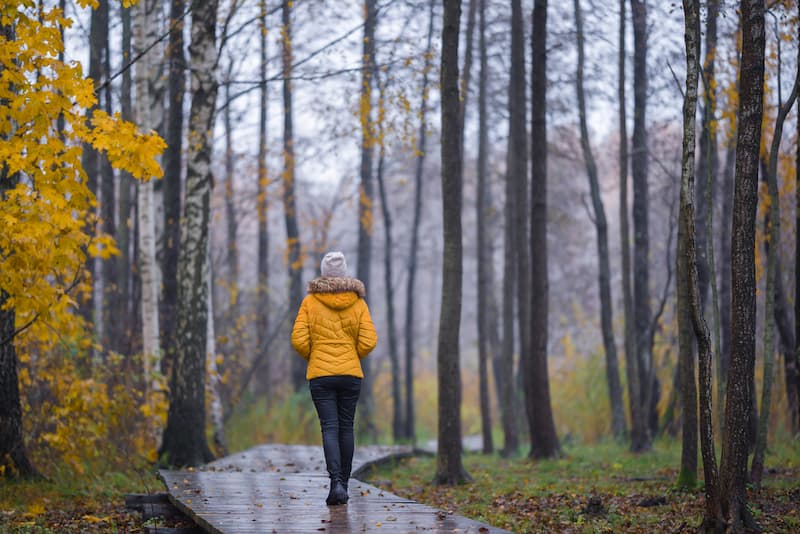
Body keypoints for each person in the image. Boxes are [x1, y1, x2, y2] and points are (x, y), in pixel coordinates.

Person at [291, 251, 378, 506]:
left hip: (321, 376)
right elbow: (369, 340)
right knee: (346, 427)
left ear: (323, 272)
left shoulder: (310, 301)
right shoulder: (358, 302)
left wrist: (316, 355)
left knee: (330, 427)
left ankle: (335, 484)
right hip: (351, 375)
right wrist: (352, 355)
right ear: (345, 273)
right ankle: (345, 484)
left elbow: (297, 339)